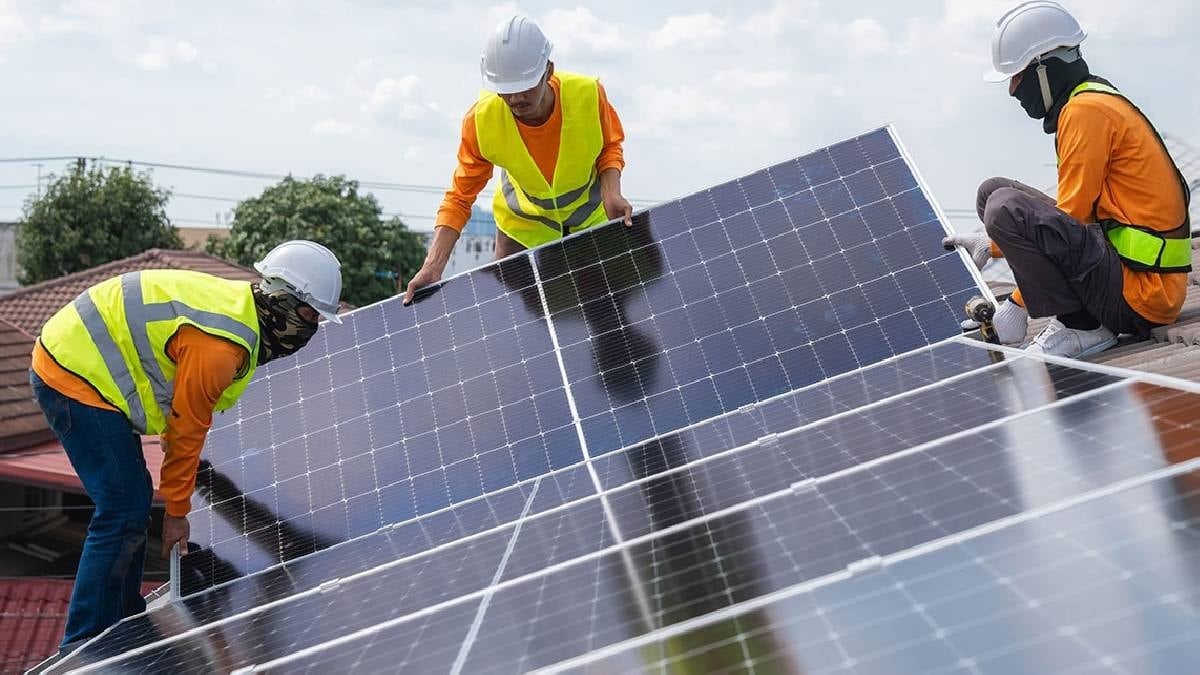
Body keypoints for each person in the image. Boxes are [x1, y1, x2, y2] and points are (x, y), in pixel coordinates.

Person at [29, 240, 343, 650]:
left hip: (85, 362)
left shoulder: (242, 316)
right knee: (122, 504)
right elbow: (185, 429)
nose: (311, 327)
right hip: (72, 372)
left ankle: (123, 616)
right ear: (281, 301)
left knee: (133, 497)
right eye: (308, 315)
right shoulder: (221, 347)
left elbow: (179, 414)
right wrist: (177, 512)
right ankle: (85, 641)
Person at [944, 0, 1191, 358]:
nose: (1012, 89)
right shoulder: (1088, 99)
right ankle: (1078, 316)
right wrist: (992, 244)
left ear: (1045, 69)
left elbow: (1073, 217)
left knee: (1003, 208)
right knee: (994, 191)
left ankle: (1082, 326)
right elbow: (1071, 221)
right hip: (1129, 273)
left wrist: (1017, 304)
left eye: (1017, 75)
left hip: (1141, 295)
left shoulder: (1084, 112)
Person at [403, 14, 632, 304]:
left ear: (548, 71)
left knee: (602, 313)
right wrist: (433, 266)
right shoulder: (481, 120)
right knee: (519, 328)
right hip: (519, 234)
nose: (515, 99)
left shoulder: (587, 95)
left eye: (524, 87)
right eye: (506, 90)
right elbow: (460, 197)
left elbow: (609, 146)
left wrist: (613, 193)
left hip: (589, 225)